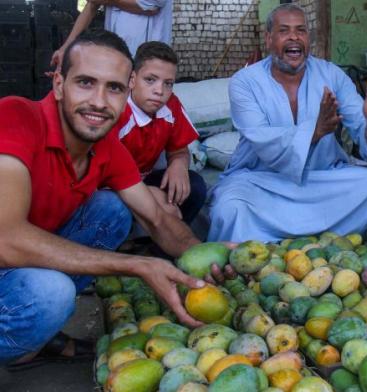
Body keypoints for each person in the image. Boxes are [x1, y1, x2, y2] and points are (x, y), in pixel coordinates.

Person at [0, 30, 229, 369]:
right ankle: (26, 331)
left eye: (114, 88)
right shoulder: (16, 117)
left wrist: (209, 258)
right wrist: (135, 264)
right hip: (9, 252)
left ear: (127, 92)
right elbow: (7, 239)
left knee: (112, 210)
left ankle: (37, 332)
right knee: (51, 294)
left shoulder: (105, 148)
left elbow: (156, 218)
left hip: (19, 266)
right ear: (60, 85)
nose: (99, 102)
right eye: (85, 83)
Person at [207, 4, 367, 243]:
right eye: (284, 30)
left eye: (301, 30)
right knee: (230, 207)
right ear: (269, 39)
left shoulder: (331, 75)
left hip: (320, 179)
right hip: (262, 181)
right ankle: (259, 256)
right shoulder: (245, 82)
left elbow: (364, 132)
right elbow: (264, 141)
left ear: (308, 39)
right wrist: (315, 131)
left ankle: (333, 249)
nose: (294, 37)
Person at [113, 41, 206, 226]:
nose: (159, 91)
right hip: (111, 185)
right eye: (150, 80)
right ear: (132, 79)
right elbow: (99, 174)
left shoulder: (171, 105)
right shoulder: (117, 111)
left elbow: (179, 150)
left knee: (193, 186)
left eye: (168, 83)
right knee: (110, 206)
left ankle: (160, 250)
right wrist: (146, 196)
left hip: (143, 180)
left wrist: (179, 165)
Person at [50, 0, 172, 71]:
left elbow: (151, 6)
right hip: (114, 56)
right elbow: (92, 4)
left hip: (148, 59)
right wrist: (65, 47)